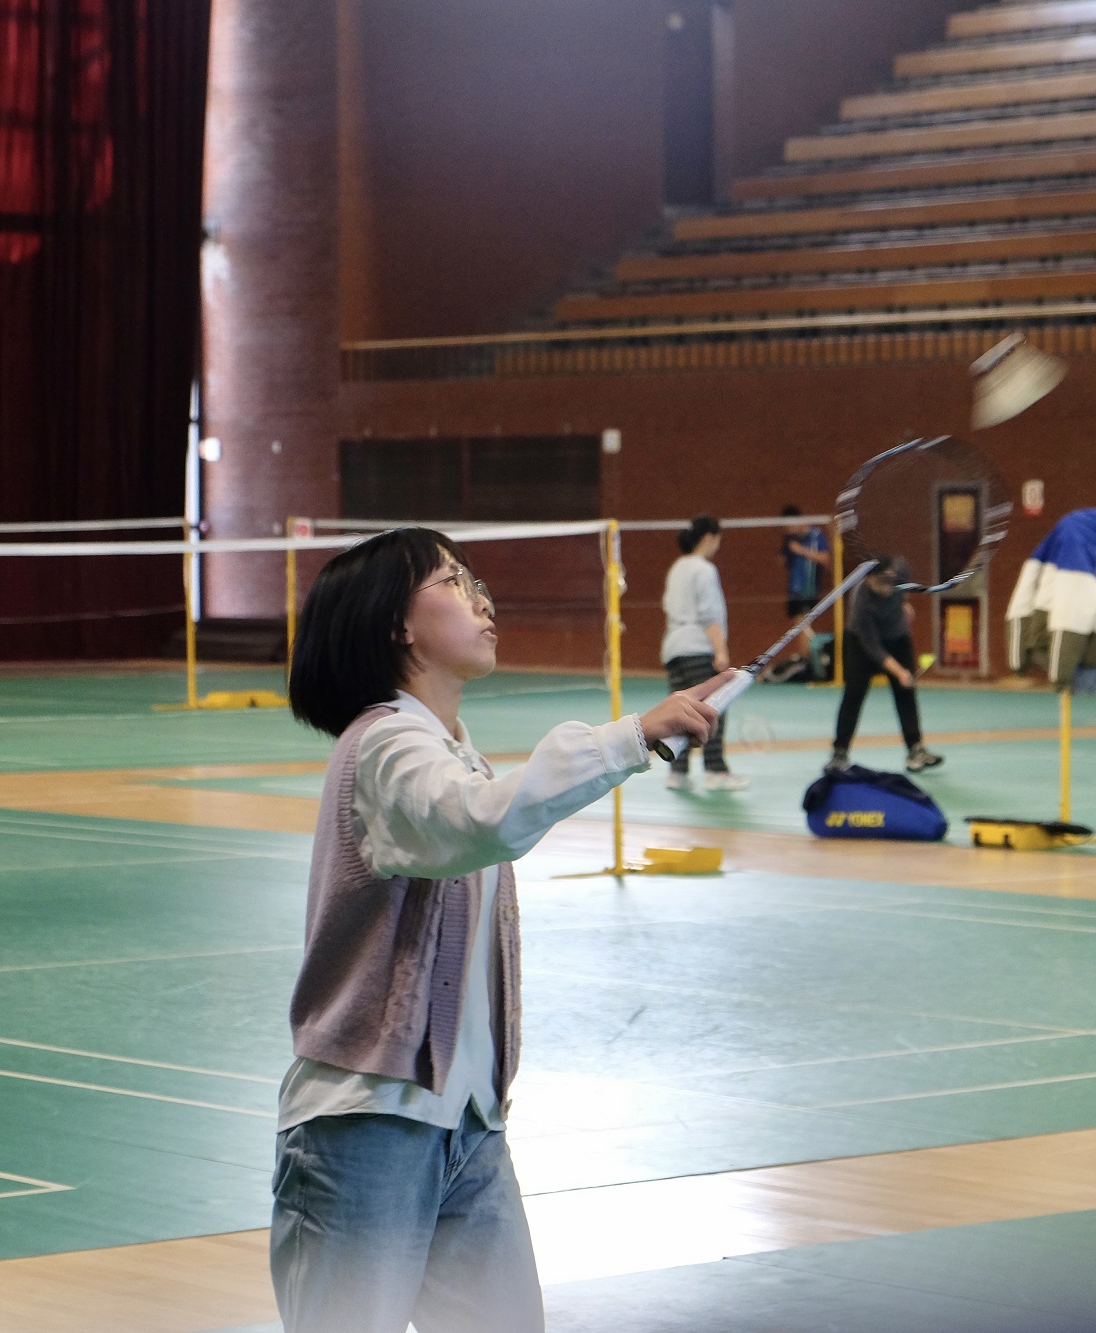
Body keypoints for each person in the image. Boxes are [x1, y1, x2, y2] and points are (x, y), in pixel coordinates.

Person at [273, 526, 726, 1333]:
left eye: (474, 579)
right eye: (452, 581)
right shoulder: (385, 744)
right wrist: (633, 735)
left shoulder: (455, 754)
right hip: (367, 1126)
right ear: (397, 623)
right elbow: (481, 821)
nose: (482, 599)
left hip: (470, 1129)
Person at [828, 555, 942, 774]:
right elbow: (873, 648)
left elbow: (903, 581)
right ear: (868, 579)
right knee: (854, 695)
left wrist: (904, 602)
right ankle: (839, 753)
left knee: (906, 694)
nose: (888, 587)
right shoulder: (861, 603)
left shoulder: (900, 571)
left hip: (898, 638)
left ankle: (915, 750)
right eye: (882, 582)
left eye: (891, 581)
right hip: (862, 644)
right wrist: (900, 671)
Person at [660, 515, 749, 791]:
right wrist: (721, 652)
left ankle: (677, 774)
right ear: (709, 538)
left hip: (673, 649)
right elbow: (710, 615)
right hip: (698, 648)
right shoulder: (705, 570)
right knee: (713, 709)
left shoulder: (677, 568)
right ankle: (716, 772)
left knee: (681, 710)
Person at [766, 504, 829, 680]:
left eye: (789, 525)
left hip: (809, 588)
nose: (787, 529)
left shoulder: (816, 535)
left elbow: (825, 559)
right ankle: (803, 659)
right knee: (798, 623)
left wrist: (801, 551)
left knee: (803, 623)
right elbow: (783, 559)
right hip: (794, 588)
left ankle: (809, 659)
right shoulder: (789, 539)